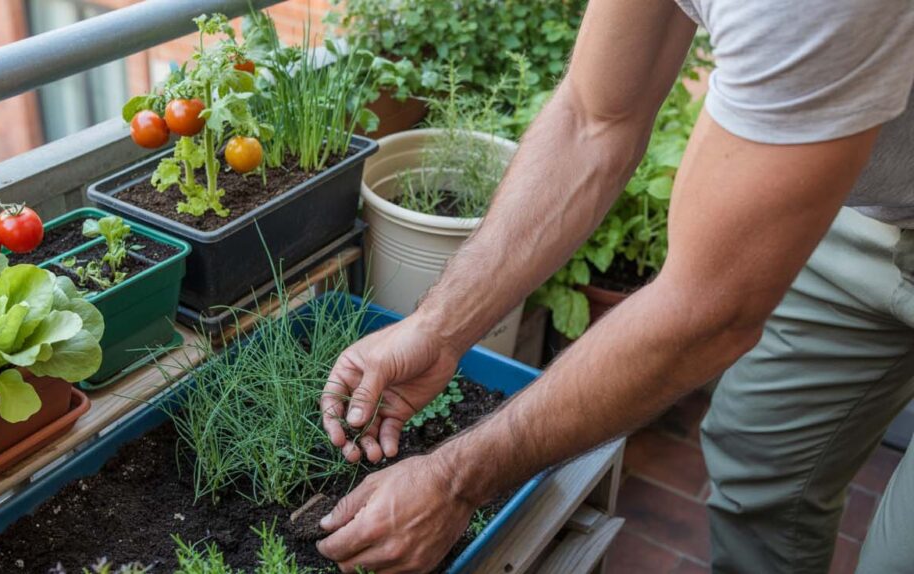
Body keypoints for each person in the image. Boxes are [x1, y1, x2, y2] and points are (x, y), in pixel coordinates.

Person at [316, 0, 914, 572]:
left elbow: (708, 309)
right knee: (761, 474)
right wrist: (437, 328)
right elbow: (593, 118)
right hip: (866, 208)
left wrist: (454, 478)